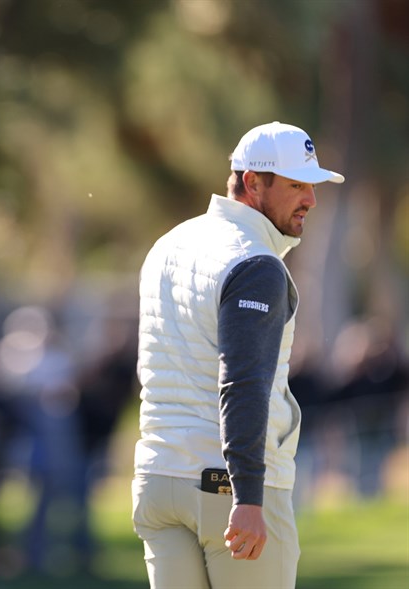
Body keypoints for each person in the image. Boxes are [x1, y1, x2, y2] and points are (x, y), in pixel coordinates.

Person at [131, 121, 344, 589]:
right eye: (295, 185)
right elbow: (242, 382)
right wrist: (247, 495)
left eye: (311, 185)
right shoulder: (255, 263)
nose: (310, 198)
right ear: (252, 183)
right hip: (228, 490)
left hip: (157, 479)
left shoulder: (169, 243)